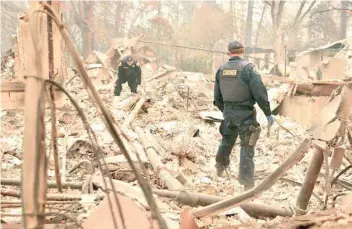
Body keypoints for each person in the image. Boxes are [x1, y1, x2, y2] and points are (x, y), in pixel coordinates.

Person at [213, 40, 275, 191]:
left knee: (227, 141)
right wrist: (268, 113)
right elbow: (260, 93)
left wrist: (226, 110)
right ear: (243, 51)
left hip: (228, 113)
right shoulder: (248, 69)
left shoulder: (221, 70)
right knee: (247, 146)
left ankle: (220, 168)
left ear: (229, 53)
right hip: (245, 113)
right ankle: (247, 185)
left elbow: (217, 97)